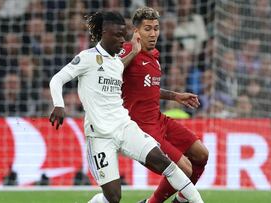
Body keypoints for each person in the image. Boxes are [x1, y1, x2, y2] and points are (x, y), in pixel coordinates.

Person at [48, 11, 203, 203]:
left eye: (156, 28)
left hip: (126, 126)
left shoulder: (119, 61)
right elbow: (57, 79)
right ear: (104, 33)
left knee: (172, 164)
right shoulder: (89, 58)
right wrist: (59, 105)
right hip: (100, 134)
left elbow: (141, 83)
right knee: (113, 197)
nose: (122, 40)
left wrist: (174, 95)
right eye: (118, 35)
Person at [120, 7, 208, 203]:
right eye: (147, 29)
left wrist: (175, 96)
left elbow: (147, 89)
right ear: (136, 32)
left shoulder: (154, 56)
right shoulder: (127, 50)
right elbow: (110, 73)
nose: (153, 34)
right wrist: (132, 53)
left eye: (156, 28)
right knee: (184, 168)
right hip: (142, 128)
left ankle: (181, 200)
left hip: (159, 119)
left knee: (201, 154)